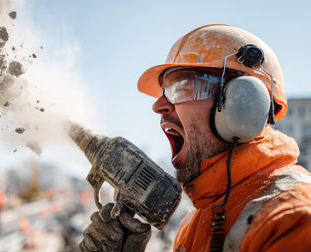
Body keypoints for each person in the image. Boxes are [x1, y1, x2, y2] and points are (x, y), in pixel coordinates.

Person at [79, 24, 311, 252]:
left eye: (181, 87)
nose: (158, 106)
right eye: (164, 92)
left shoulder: (293, 218)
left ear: (244, 102)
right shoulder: (193, 222)